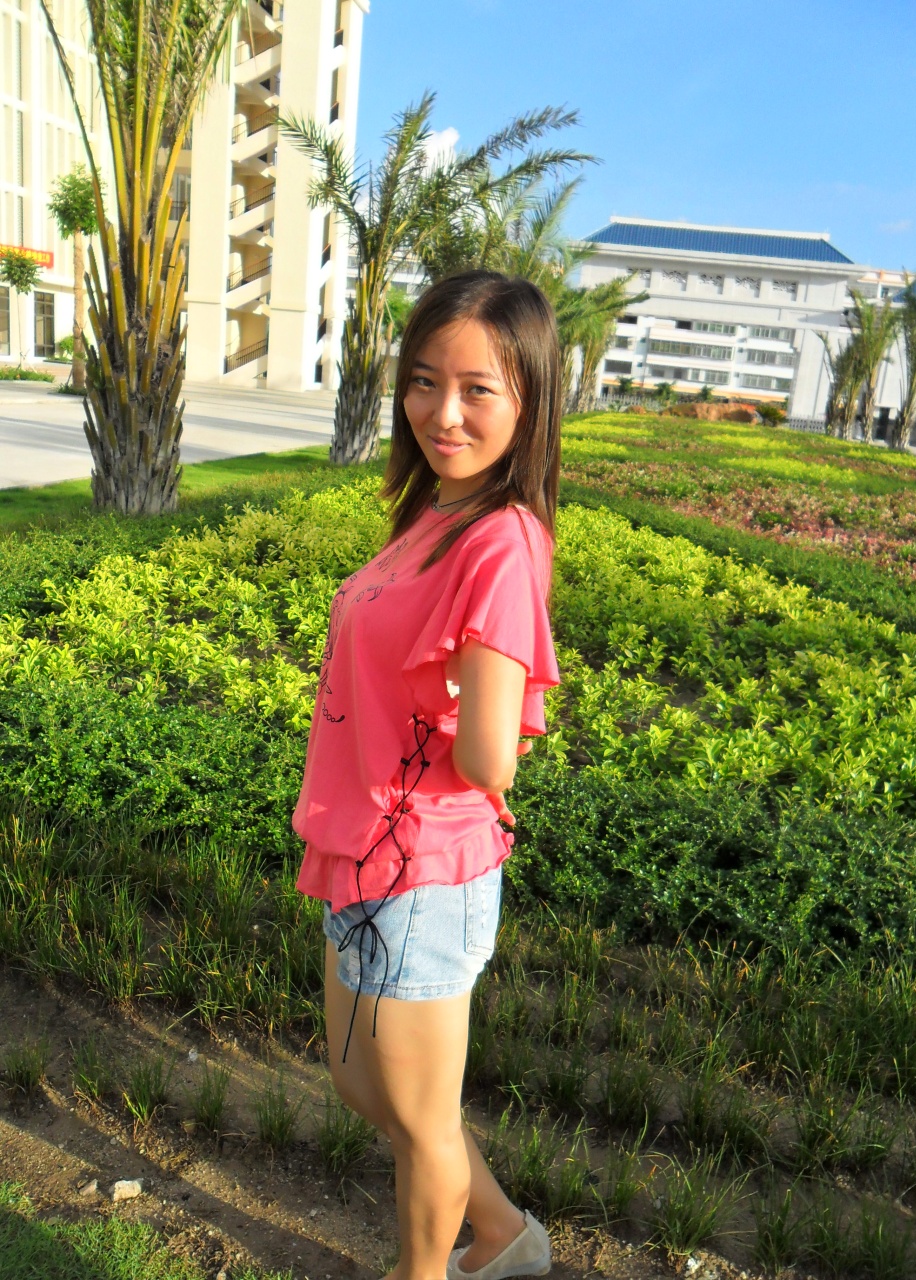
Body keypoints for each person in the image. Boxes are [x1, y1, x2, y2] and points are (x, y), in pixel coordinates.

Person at [292, 269, 562, 1280]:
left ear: (529, 400)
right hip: (364, 843)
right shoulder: (435, 512)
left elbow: (490, 755)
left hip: (422, 865)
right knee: (372, 1089)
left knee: (420, 1119)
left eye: (478, 389)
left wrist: (466, 717)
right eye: (423, 382)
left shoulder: (500, 543)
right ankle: (505, 1235)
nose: (443, 413)